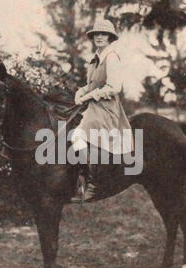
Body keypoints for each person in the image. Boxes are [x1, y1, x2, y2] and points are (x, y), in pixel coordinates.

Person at [70, 19, 134, 203]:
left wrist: (89, 96)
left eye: (103, 34)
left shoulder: (111, 57)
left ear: (110, 38)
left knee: (77, 136)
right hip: (94, 105)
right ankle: (76, 177)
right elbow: (91, 85)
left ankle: (92, 184)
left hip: (107, 107)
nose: (99, 37)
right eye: (96, 34)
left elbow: (114, 87)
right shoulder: (94, 59)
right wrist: (80, 92)